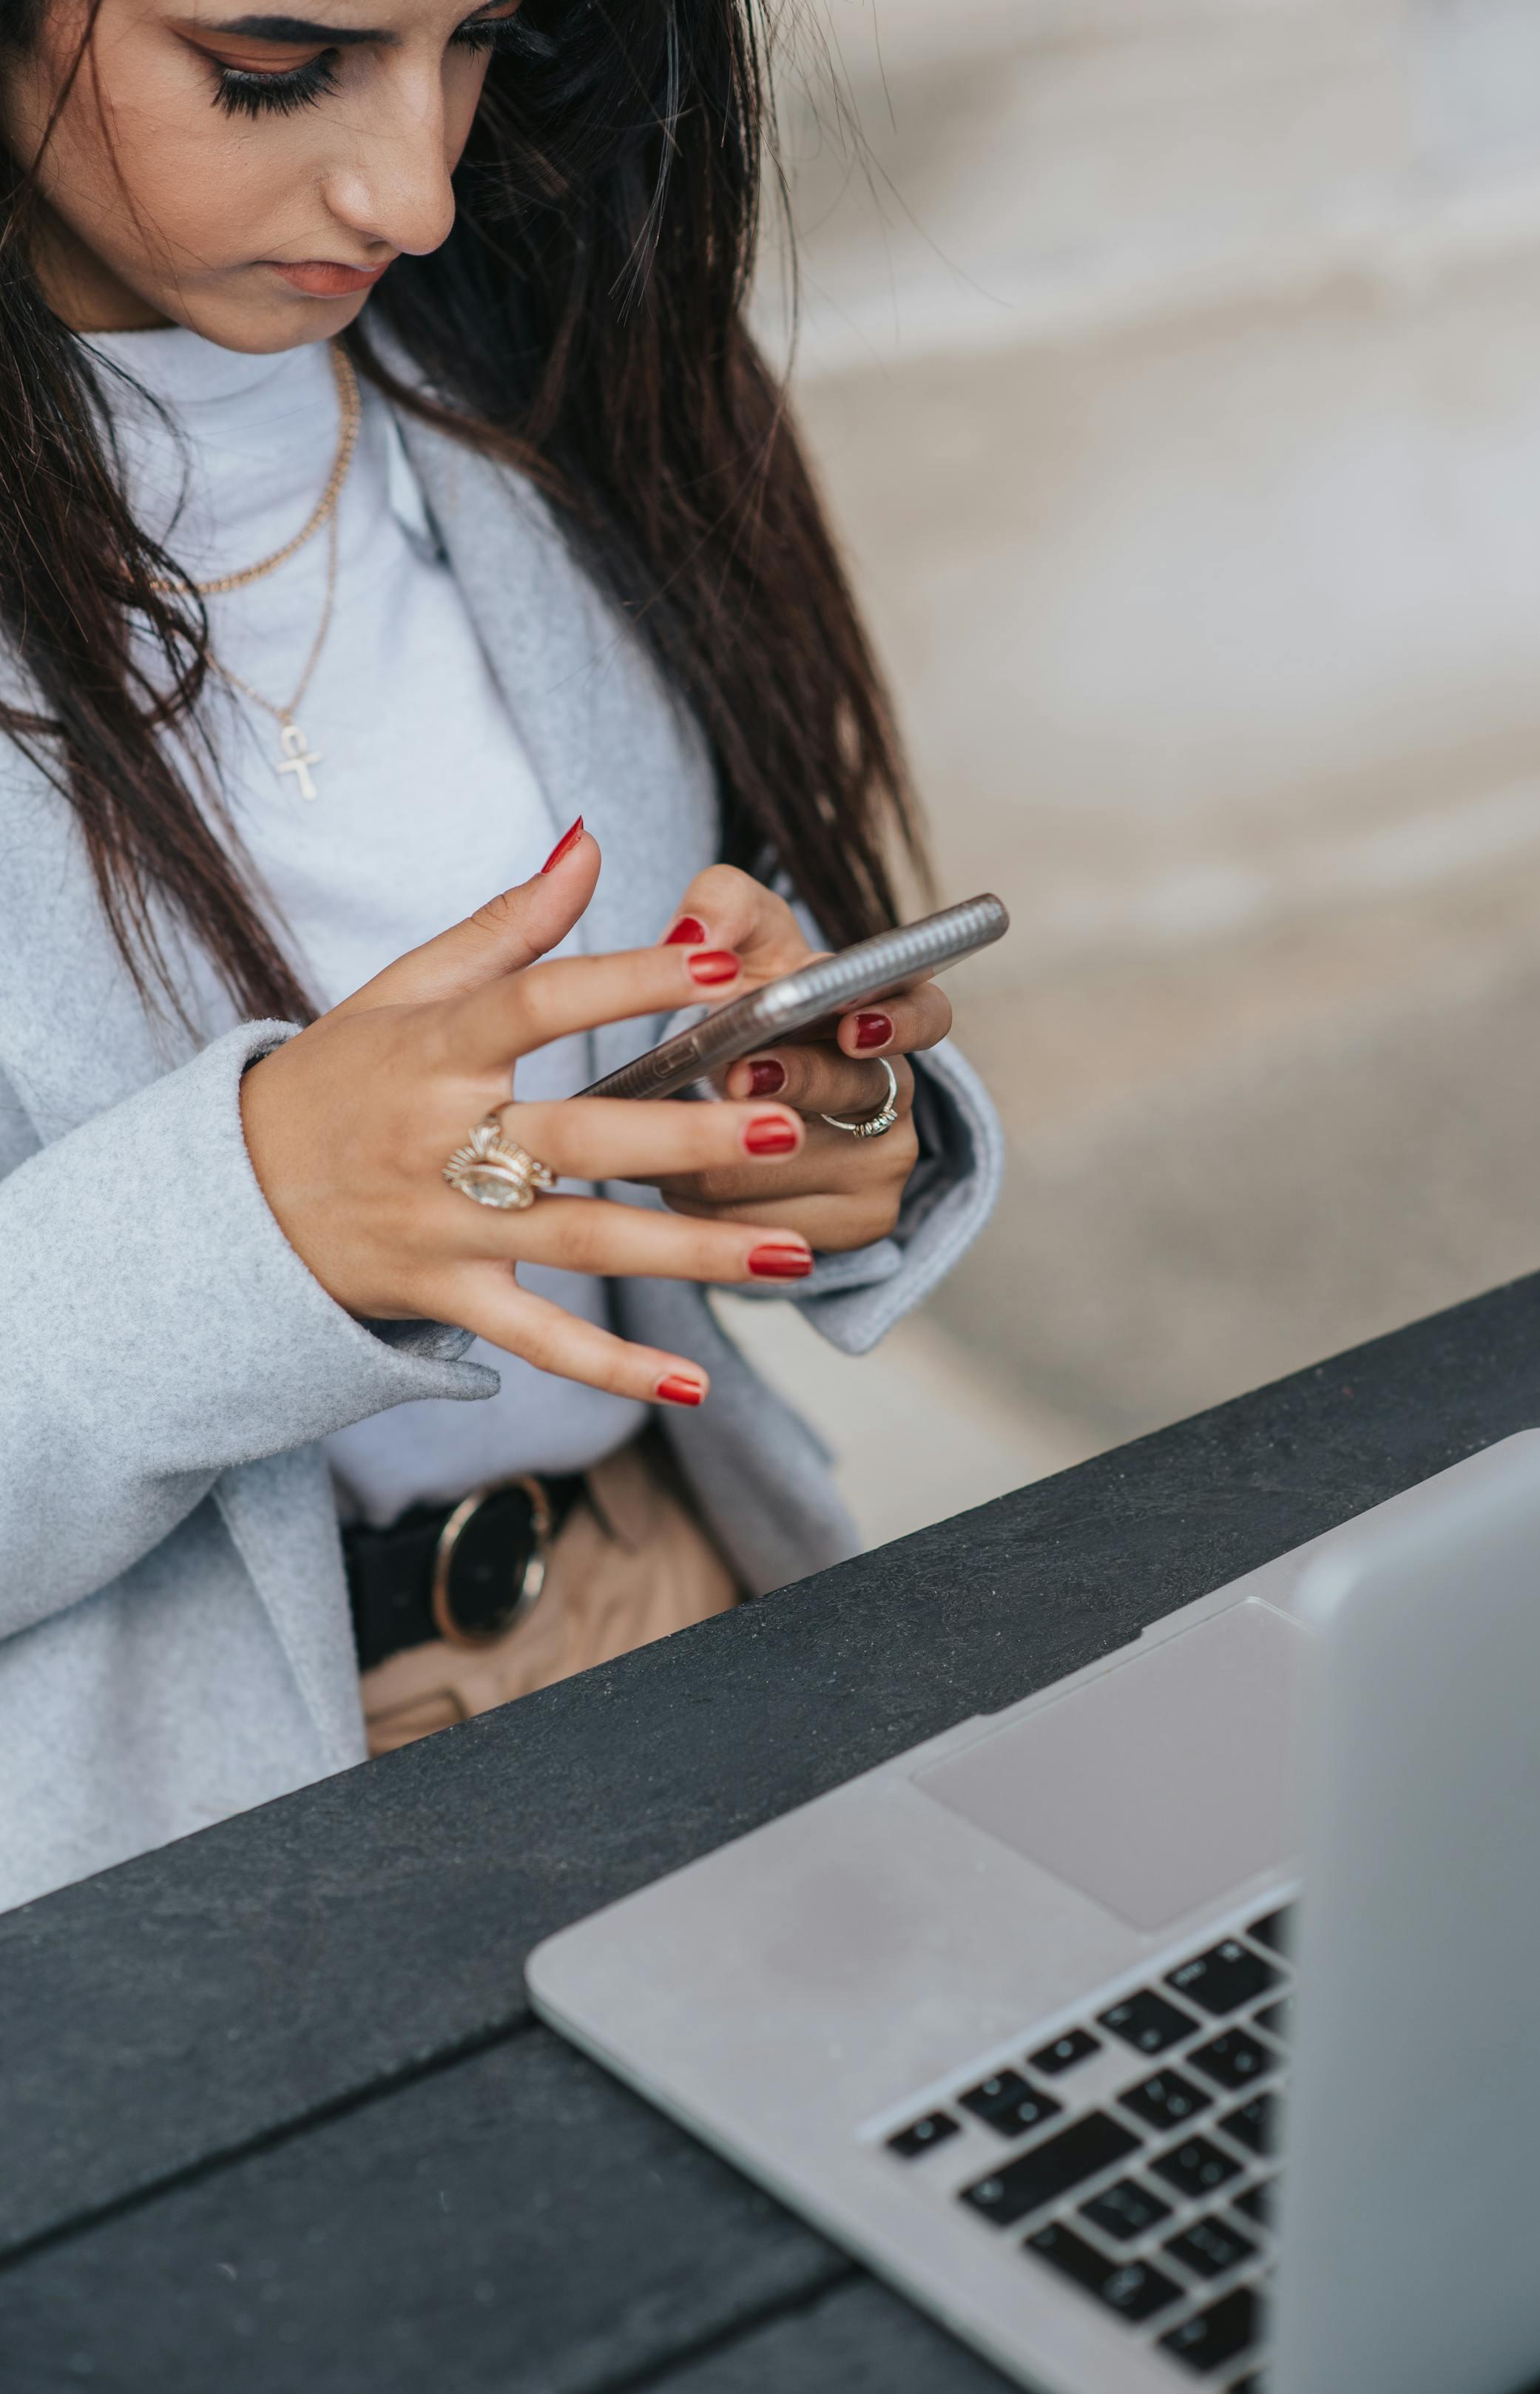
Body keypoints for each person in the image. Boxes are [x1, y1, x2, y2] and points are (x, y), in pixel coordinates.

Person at [0, 0, 1002, 1911]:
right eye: (275, 60)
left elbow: (723, 927)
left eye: (475, 44)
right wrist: (252, 1219)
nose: (417, 189)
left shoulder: (523, 370)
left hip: (677, 1626)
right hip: (154, 1877)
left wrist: (826, 1117)